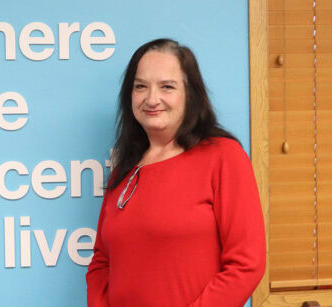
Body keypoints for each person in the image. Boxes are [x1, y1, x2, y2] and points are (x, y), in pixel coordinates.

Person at [86, 38, 266, 307]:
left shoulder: (223, 157)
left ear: (189, 94)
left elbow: (247, 263)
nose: (152, 99)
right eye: (140, 87)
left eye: (167, 87)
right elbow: (101, 260)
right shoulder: (124, 170)